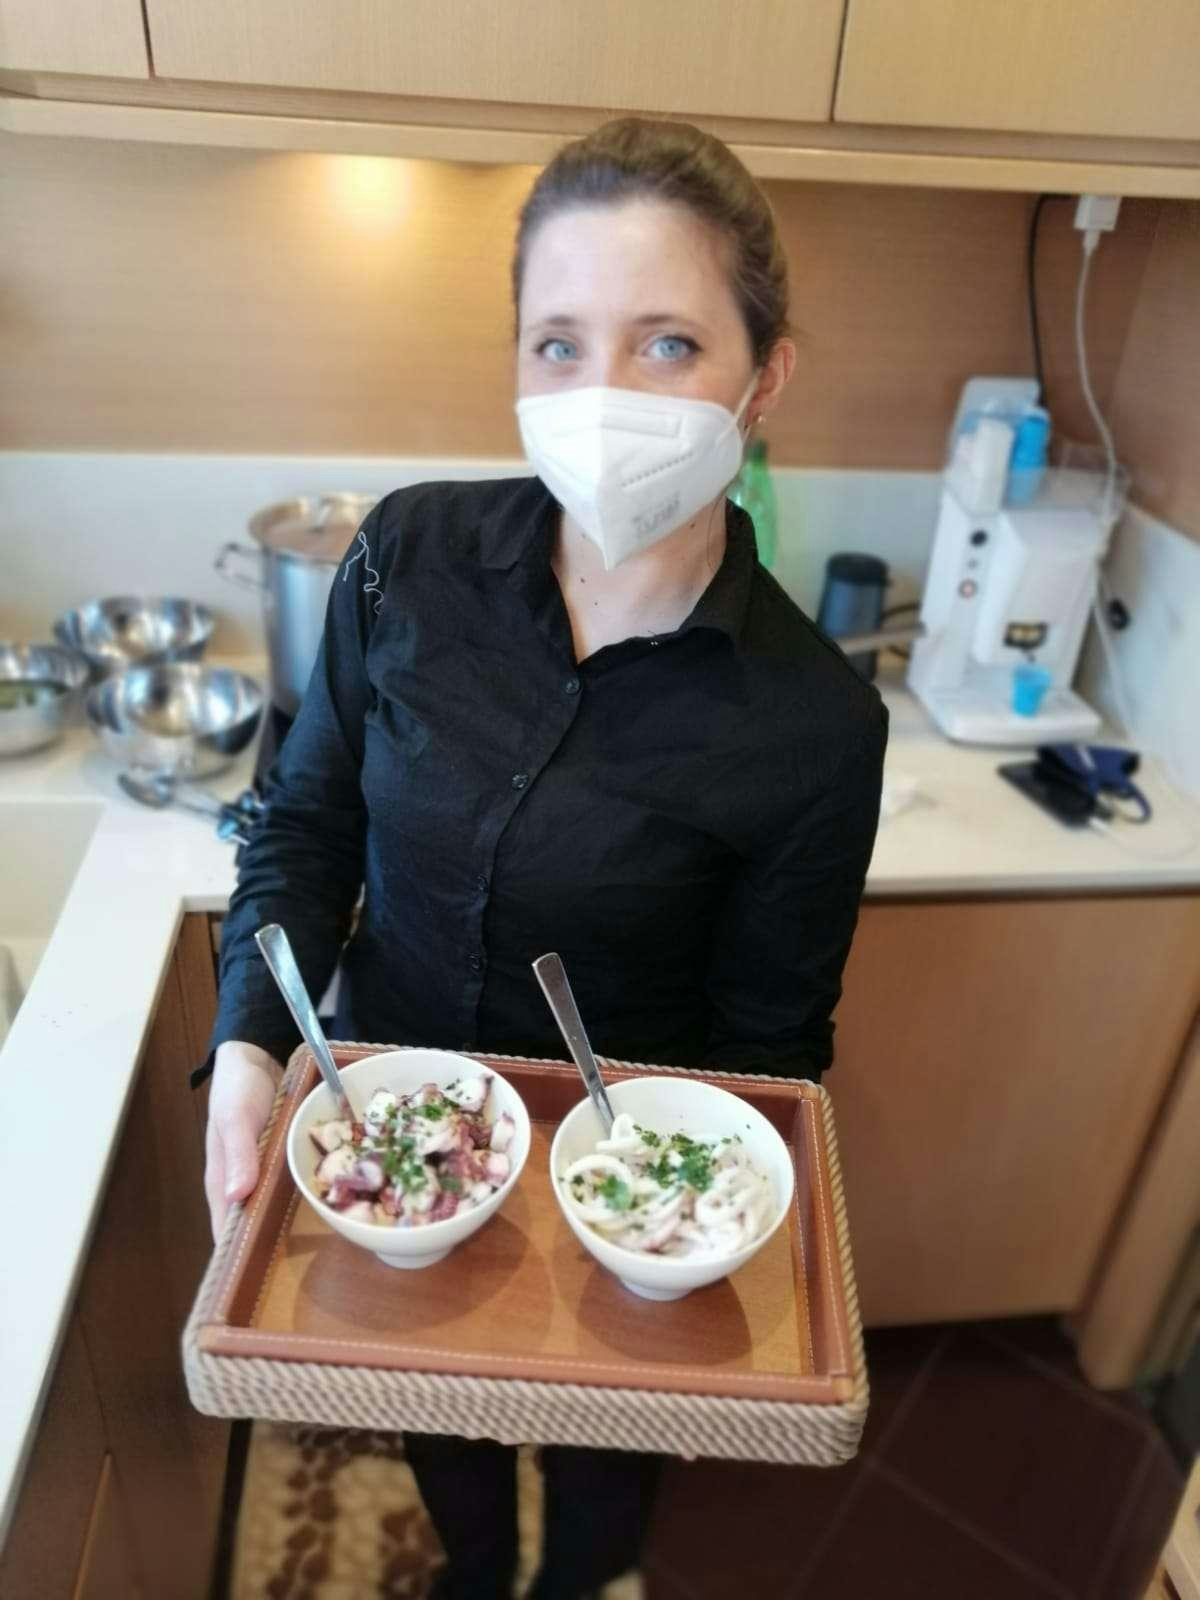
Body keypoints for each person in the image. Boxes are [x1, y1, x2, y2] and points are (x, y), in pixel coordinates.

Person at [200, 115, 888, 1600]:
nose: (602, 396)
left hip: (616, 1196)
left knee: (597, 1476)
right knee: (443, 1431)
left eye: (665, 345)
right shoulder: (406, 557)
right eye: (559, 344)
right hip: (401, 1137)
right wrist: (255, 1045)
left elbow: (773, 1047)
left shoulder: (812, 727)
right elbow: (305, 824)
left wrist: (700, 1244)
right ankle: (470, 1567)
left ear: (764, 377)